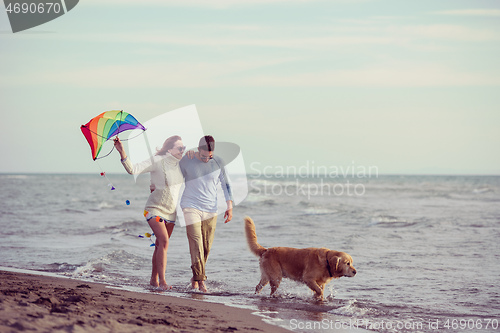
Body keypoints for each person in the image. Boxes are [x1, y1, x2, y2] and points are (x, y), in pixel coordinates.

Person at [114, 135, 185, 290]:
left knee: (160, 245)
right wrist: (122, 151)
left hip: (171, 213)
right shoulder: (157, 161)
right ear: (169, 149)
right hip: (154, 209)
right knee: (164, 241)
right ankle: (163, 282)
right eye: (180, 148)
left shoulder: (182, 165)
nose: (182, 150)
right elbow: (133, 170)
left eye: (184, 148)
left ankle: (154, 280)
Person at [179, 135, 234, 292]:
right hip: (190, 206)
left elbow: (226, 185)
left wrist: (229, 206)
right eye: (203, 156)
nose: (206, 159)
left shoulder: (218, 162)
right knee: (196, 243)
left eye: (209, 156)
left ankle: (196, 276)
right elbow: (172, 175)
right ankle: (201, 281)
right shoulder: (187, 160)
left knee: (206, 247)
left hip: (211, 209)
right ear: (198, 150)